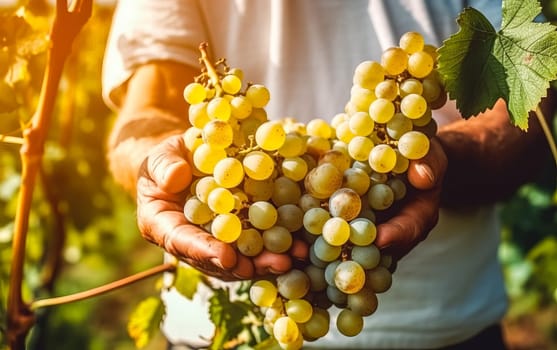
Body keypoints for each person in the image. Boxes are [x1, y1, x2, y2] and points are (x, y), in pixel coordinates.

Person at [101, 0, 555, 349]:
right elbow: (150, 105)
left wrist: (436, 162)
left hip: (447, 324)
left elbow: (523, 100)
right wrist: (159, 167)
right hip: (222, 333)